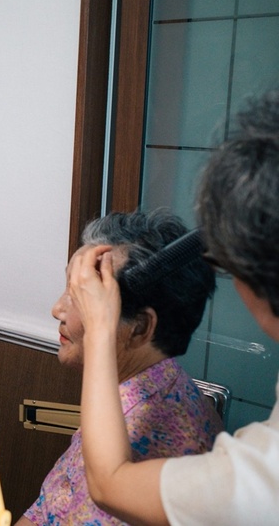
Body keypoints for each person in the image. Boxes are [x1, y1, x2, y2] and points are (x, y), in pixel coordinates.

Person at [74, 89, 279, 525]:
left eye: (78, 297)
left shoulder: (264, 476)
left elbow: (109, 485)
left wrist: (99, 328)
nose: (60, 310)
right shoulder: (162, 392)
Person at [15, 210, 223, 526]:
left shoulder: (144, 442)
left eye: (82, 298)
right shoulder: (152, 385)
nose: (57, 309)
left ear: (139, 328)